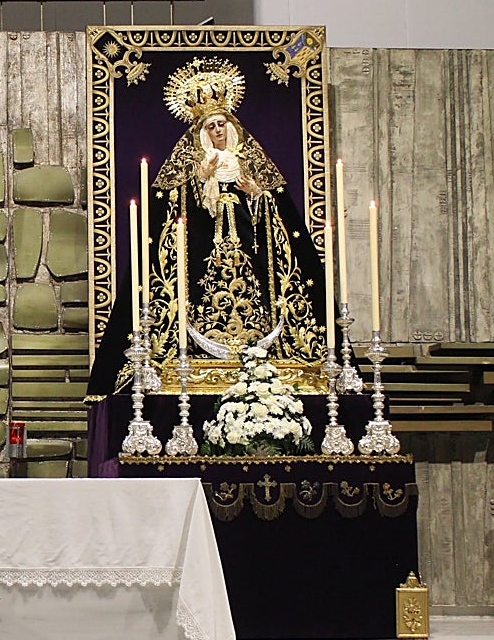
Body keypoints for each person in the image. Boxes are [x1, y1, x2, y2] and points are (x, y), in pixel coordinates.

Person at [86, 57, 325, 399]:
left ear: (230, 126)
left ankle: (258, 355)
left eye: (220, 124)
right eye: (210, 125)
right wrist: (198, 181)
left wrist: (256, 195)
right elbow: (169, 212)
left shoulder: (250, 164)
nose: (217, 130)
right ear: (201, 132)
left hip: (247, 254)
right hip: (203, 256)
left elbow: (277, 218)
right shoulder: (192, 168)